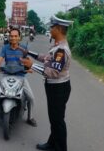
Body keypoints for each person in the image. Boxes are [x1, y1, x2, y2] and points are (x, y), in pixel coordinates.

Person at [21, 15, 73, 151]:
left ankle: (60, 148)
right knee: (55, 119)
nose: (50, 29)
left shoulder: (61, 50)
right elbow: (47, 58)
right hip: (55, 87)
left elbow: (53, 72)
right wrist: (29, 53)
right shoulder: (57, 46)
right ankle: (52, 143)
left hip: (58, 88)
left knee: (58, 121)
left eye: (52, 27)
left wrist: (31, 65)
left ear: (59, 29)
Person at [0, 28, 37, 127]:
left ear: (19, 37)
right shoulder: (5, 48)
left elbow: (28, 61)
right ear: (9, 37)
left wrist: (29, 68)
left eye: (15, 36)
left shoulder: (23, 48)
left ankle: (30, 117)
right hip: (6, 75)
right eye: (11, 36)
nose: (13, 38)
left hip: (21, 76)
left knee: (31, 97)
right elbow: (0, 58)